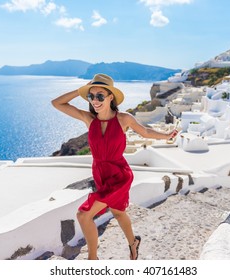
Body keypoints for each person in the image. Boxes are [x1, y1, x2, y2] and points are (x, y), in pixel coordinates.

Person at [51, 73, 178, 260]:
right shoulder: (89, 119)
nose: (95, 100)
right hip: (101, 175)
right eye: (91, 96)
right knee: (118, 212)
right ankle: (133, 242)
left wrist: (166, 136)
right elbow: (57, 103)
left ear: (111, 97)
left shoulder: (123, 119)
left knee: (84, 215)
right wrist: (79, 91)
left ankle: (92, 259)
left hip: (119, 175)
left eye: (100, 96)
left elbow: (145, 132)